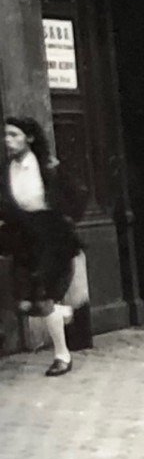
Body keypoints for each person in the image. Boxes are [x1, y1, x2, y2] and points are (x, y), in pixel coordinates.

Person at [1, 117, 84, 376]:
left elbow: (76, 195)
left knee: (45, 295)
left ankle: (62, 356)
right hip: (23, 237)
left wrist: (66, 221)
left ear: (30, 138)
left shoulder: (48, 167)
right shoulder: (6, 169)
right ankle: (64, 312)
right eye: (6, 135)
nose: (8, 140)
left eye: (14, 135)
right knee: (24, 304)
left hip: (51, 236)